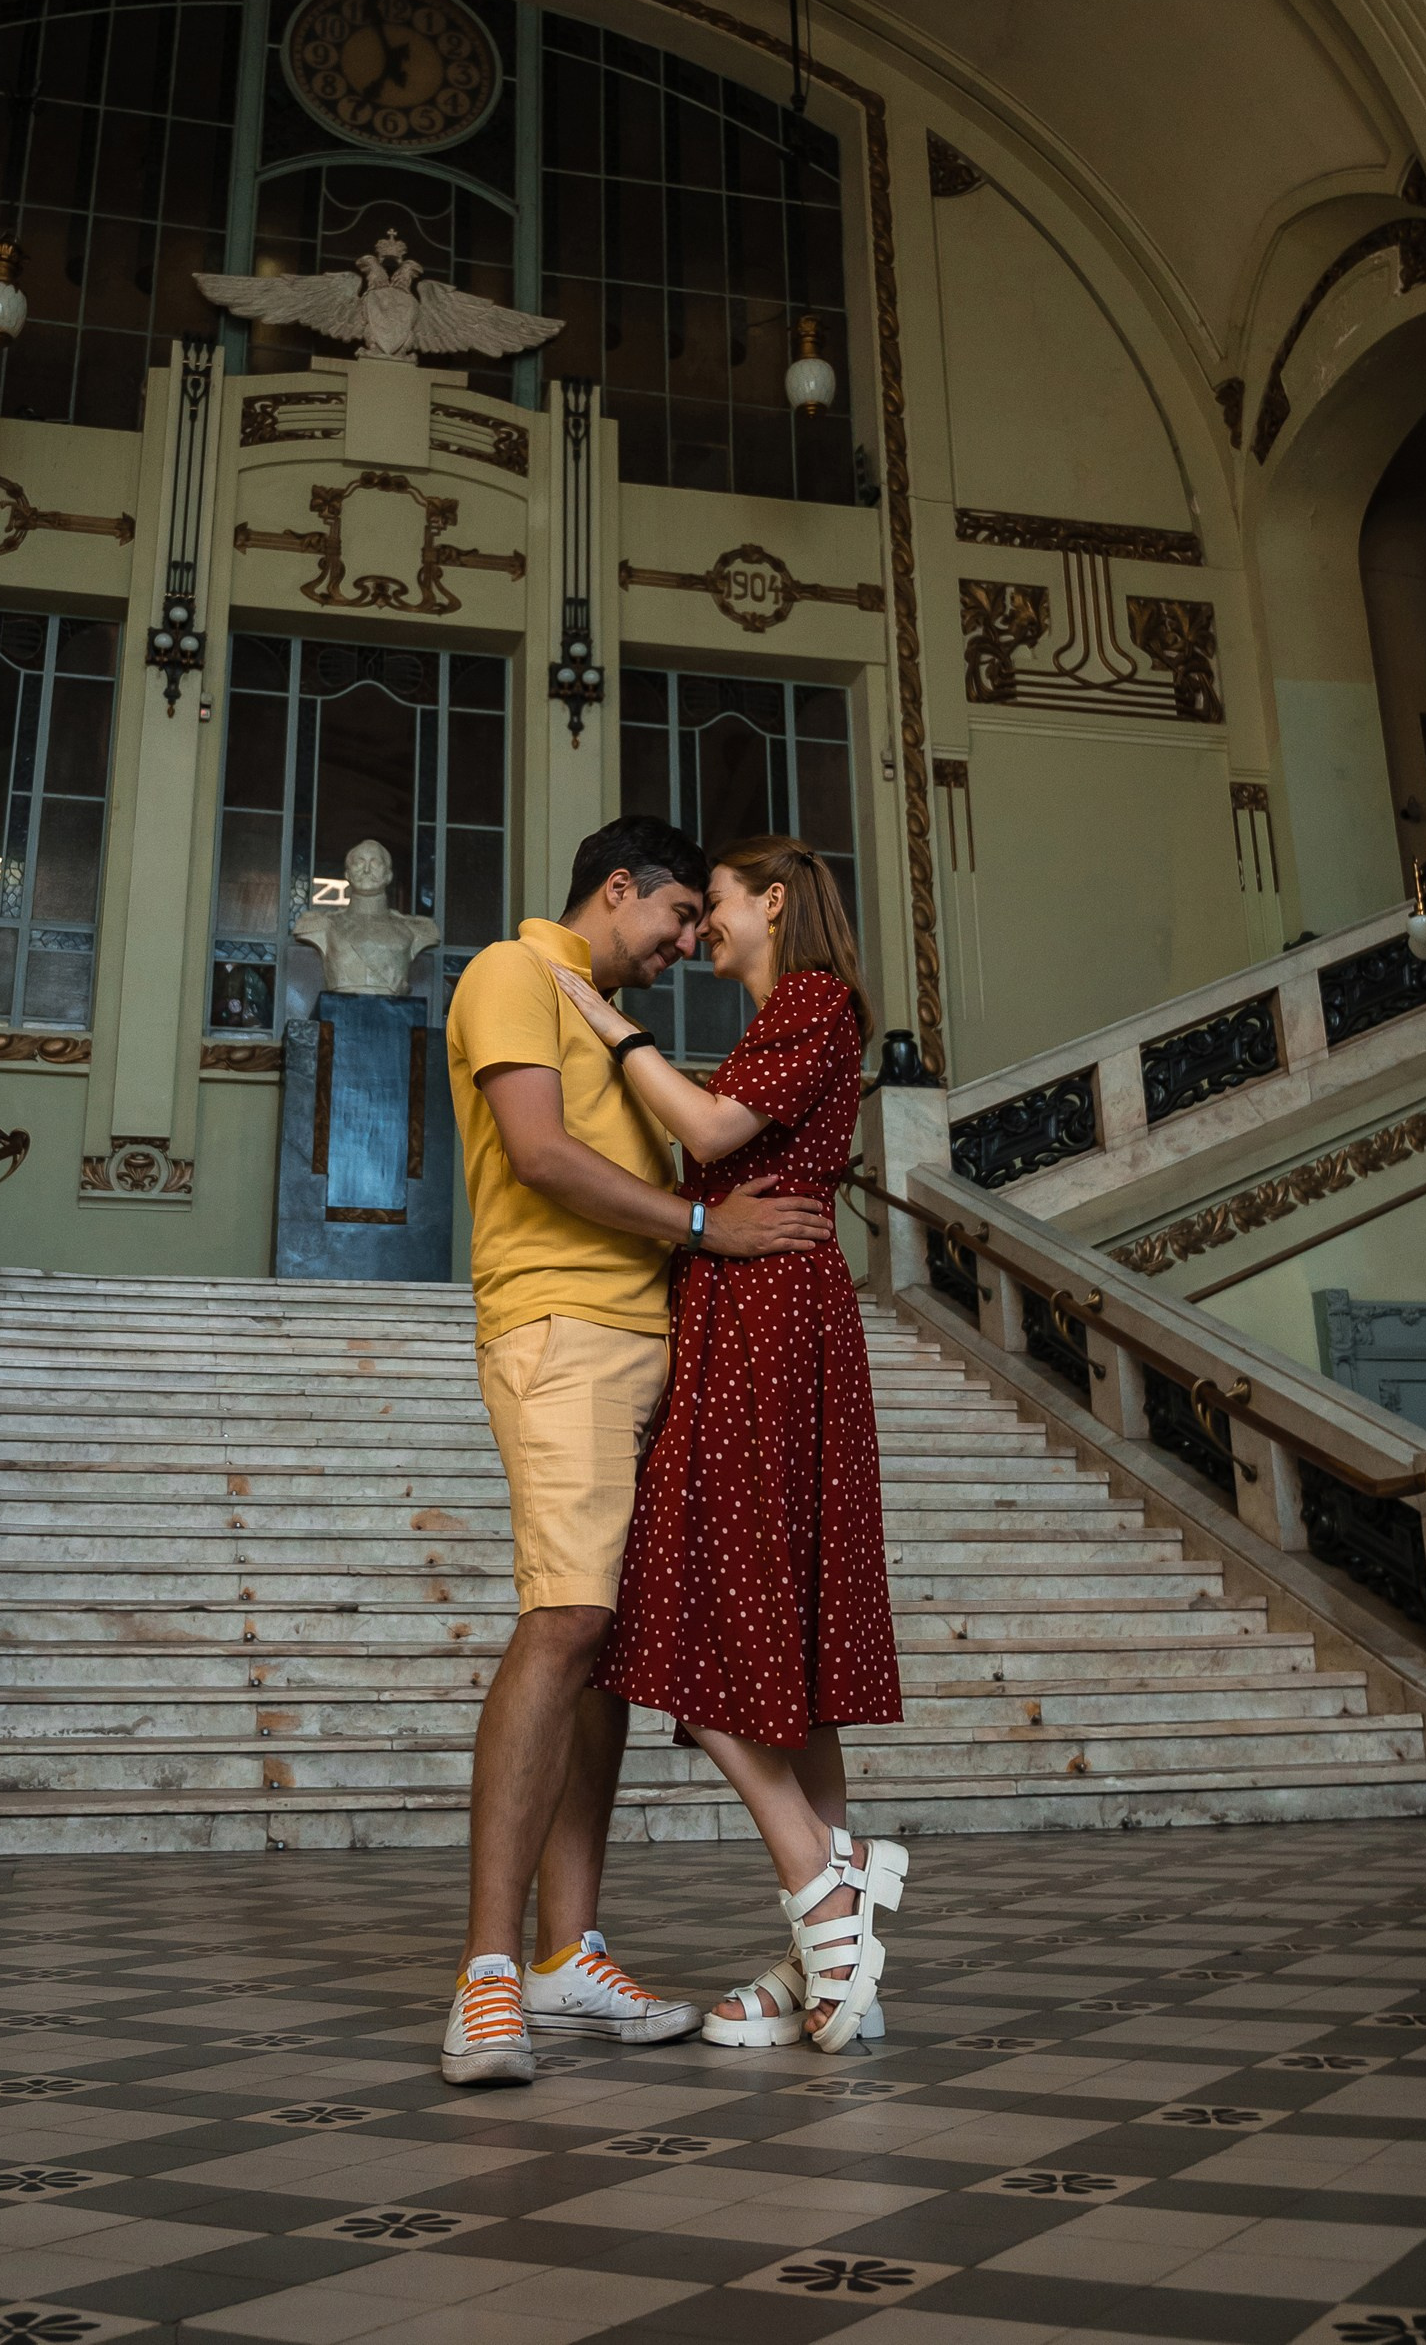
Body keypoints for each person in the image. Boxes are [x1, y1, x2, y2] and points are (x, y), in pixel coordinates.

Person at [440, 815, 833, 2087]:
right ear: (618, 888)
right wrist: (706, 1226)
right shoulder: (512, 969)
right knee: (564, 1619)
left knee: (605, 1646)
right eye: (676, 917)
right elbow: (538, 1155)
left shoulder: (613, 1022)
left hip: (653, 1339)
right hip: (560, 1330)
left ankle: (569, 1953)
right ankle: (487, 1974)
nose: (685, 943)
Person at [554, 837, 905, 2054]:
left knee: (685, 1606)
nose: (698, 928)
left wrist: (606, 1024)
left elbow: (709, 1134)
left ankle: (823, 1885)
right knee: (778, 1627)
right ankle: (827, 1952)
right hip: (749, 1313)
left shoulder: (811, 1000)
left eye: (712, 907)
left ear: (773, 902)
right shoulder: (784, 1019)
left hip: (767, 1316)